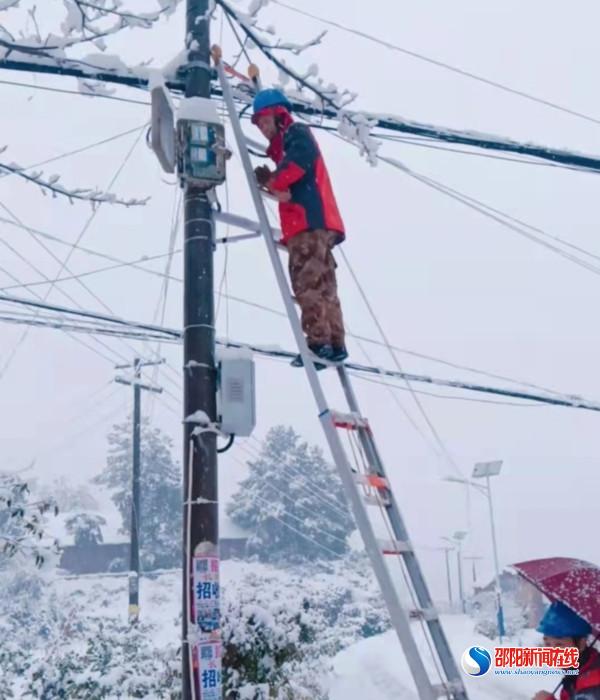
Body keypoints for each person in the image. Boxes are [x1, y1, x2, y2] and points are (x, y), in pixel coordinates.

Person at [251, 88, 348, 368]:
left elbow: (297, 162)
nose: (263, 130)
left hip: (306, 223)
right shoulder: (289, 143)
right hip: (319, 224)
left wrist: (273, 181)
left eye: (265, 122)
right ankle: (335, 343)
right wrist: (279, 185)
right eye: (259, 126)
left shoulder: (295, 134)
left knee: (307, 284)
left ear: (279, 116)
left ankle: (318, 344)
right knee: (325, 286)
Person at [533, 601, 600, 700]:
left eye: (559, 644)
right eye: (547, 644)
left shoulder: (593, 683)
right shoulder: (575, 674)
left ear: (581, 643)